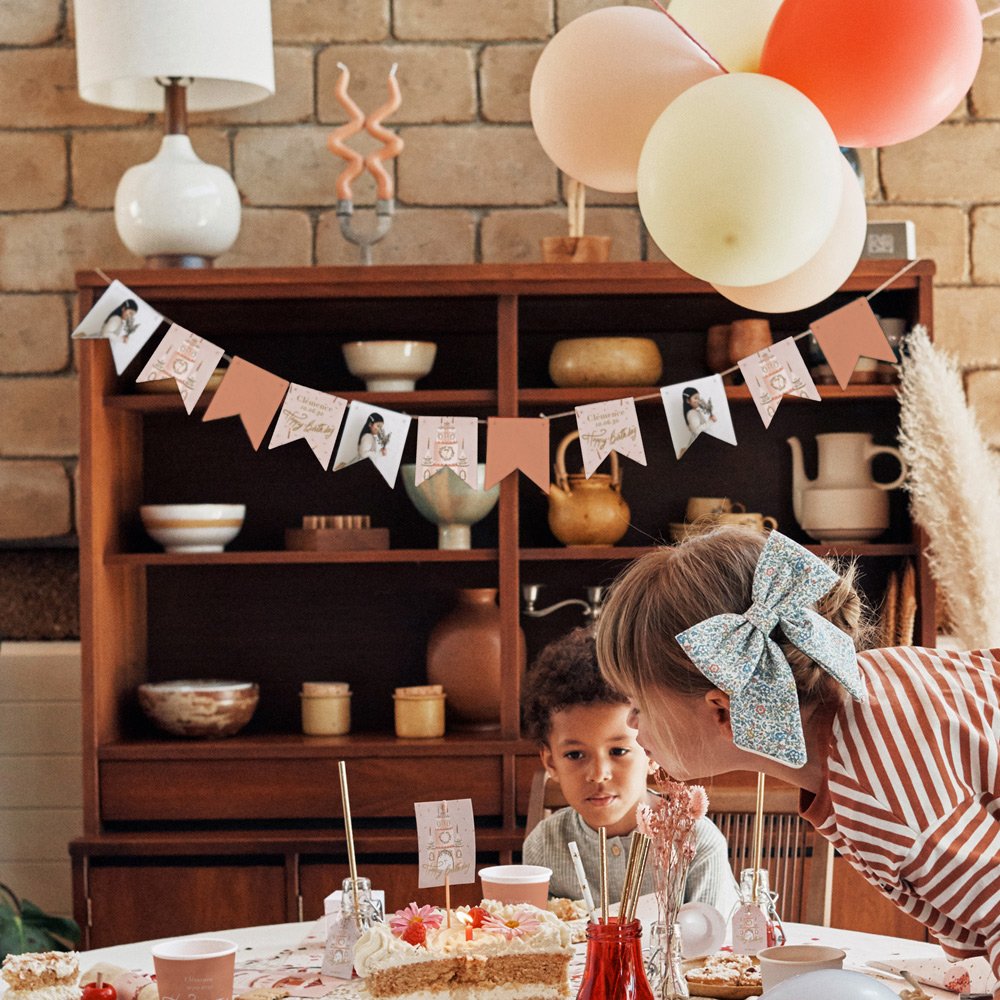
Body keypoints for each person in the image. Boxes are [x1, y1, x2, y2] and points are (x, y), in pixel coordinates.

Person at [595, 526, 1000, 993]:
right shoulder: (863, 710)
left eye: (638, 703)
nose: (630, 722)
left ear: (721, 707)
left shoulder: (878, 786)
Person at [521, 627, 740, 916]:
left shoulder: (695, 841)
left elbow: (710, 949)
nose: (598, 774)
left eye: (618, 751)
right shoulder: (543, 845)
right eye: (575, 755)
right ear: (551, 763)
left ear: (651, 750)